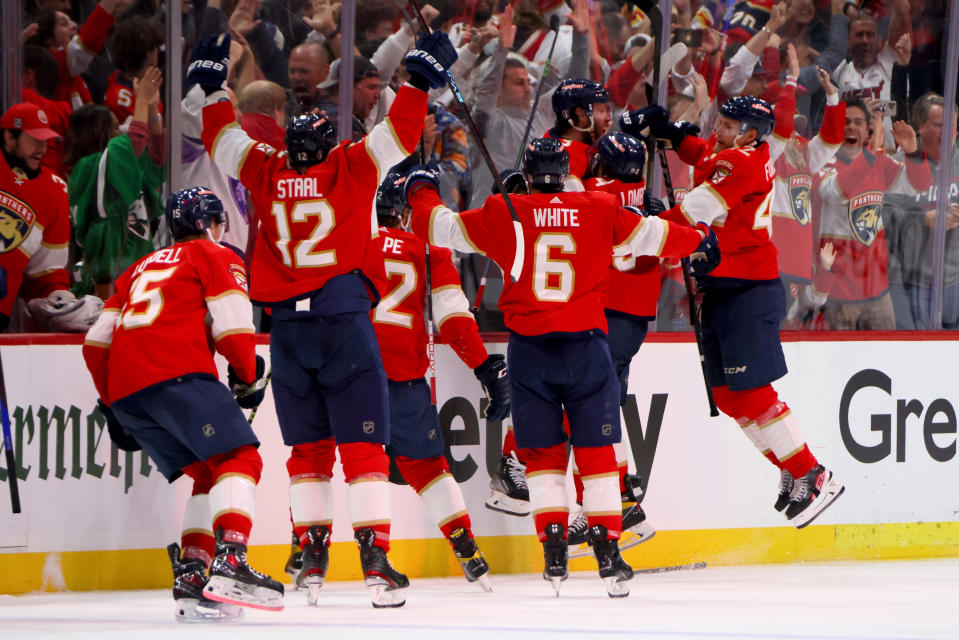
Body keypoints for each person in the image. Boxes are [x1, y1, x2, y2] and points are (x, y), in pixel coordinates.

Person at [195, 30, 457, 608]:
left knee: (308, 448)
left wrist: (213, 86)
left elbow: (221, 139)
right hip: (343, 319)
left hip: (287, 328)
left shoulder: (266, 169)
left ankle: (311, 559)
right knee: (365, 447)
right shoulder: (350, 166)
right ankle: (374, 562)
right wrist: (417, 78)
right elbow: (403, 134)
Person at [406, 136, 717, 597]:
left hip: (530, 351)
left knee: (544, 456)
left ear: (529, 175)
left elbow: (438, 227)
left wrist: (420, 186)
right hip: (587, 347)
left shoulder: (503, 211)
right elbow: (654, 236)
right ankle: (609, 556)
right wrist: (700, 238)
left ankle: (553, 555)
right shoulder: (598, 206)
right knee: (597, 453)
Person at [626, 96, 844, 529]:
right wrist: (670, 132)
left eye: (726, 125)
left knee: (754, 392)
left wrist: (633, 230)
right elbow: (699, 150)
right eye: (719, 122)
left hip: (748, 290)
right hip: (723, 290)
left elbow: (690, 214)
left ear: (749, 135)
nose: (716, 130)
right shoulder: (736, 151)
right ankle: (790, 464)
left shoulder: (739, 165)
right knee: (728, 396)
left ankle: (814, 473)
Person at [82, 187, 281, 619]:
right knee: (241, 458)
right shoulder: (215, 254)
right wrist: (247, 378)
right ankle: (231, 558)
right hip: (178, 373)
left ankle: (193, 570)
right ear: (208, 224)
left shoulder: (137, 268)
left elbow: (95, 344)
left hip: (130, 393)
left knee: (207, 471)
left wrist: (112, 402)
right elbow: (232, 326)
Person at [368, 170, 508, 592]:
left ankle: (312, 551)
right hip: (406, 376)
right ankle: (466, 548)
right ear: (406, 211)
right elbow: (452, 321)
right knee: (427, 466)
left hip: (352, 373)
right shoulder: (429, 248)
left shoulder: (354, 244)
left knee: (340, 461)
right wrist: (486, 368)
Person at [816, 98, 932, 330]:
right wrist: (871, 153)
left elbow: (919, 185)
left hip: (877, 291)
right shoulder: (823, 165)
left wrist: (913, 151)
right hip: (840, 291)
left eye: (858, 122)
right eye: (846, 121)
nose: (851, 127)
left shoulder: (878, 162)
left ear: (867, 129)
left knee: (884, 361)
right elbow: (839, 190)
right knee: (841, 362)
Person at [1, 101, 99, 333]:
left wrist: (58, 298)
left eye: (45, 140)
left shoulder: (54, 190)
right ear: (9, 137)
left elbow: (45, 271)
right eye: (34, 140)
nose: (42, 148)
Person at [67, 67, 165, 300]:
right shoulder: (90, 167)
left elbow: (157, 158)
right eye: (112, 127)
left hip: (134, 269)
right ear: (96, 133)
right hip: (107, 278)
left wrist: (152, 109)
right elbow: (131, 145)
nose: (119, 131)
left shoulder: (119, 163)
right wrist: (139, 101)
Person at [546, 79, 612, 191]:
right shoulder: (566, 161)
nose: (608, 119)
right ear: (580, 114)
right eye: (601, 111)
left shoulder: (553, 139)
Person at [287, 41, 330, 115]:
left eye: (303, 71)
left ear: (325, 72)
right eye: (292, 71)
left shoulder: (339, 110)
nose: (296, 78)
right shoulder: (281, 103)